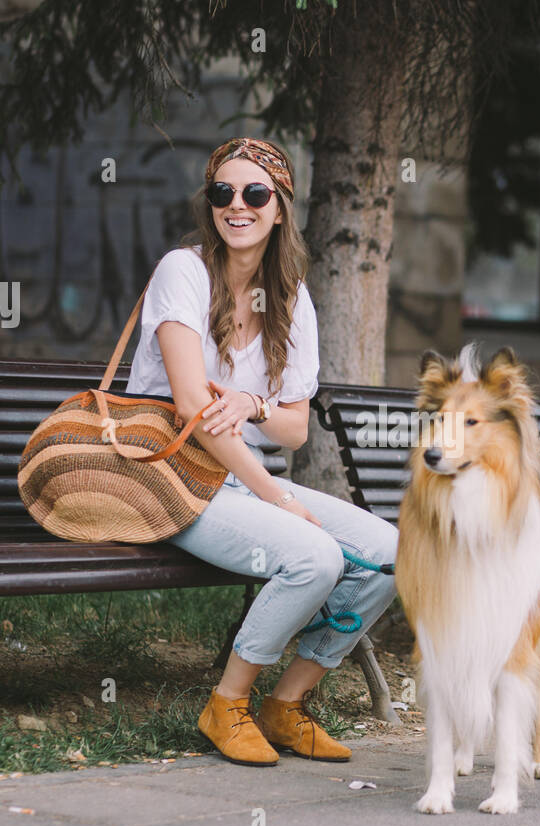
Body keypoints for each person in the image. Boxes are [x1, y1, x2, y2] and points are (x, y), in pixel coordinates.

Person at [125, 137, 399, 767]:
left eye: (255, 193)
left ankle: (286, 704)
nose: (237, 205)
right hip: (172, 476)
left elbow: (296, 429)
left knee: (388, 555)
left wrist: (253, 406)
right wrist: (277, 497)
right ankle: (227, 704)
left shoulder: (291, 298)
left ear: (280, 208)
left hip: (240, 484)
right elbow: (195, 411)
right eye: (223, 192)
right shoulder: (183, 272)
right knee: (312, 554)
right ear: (210, 202)